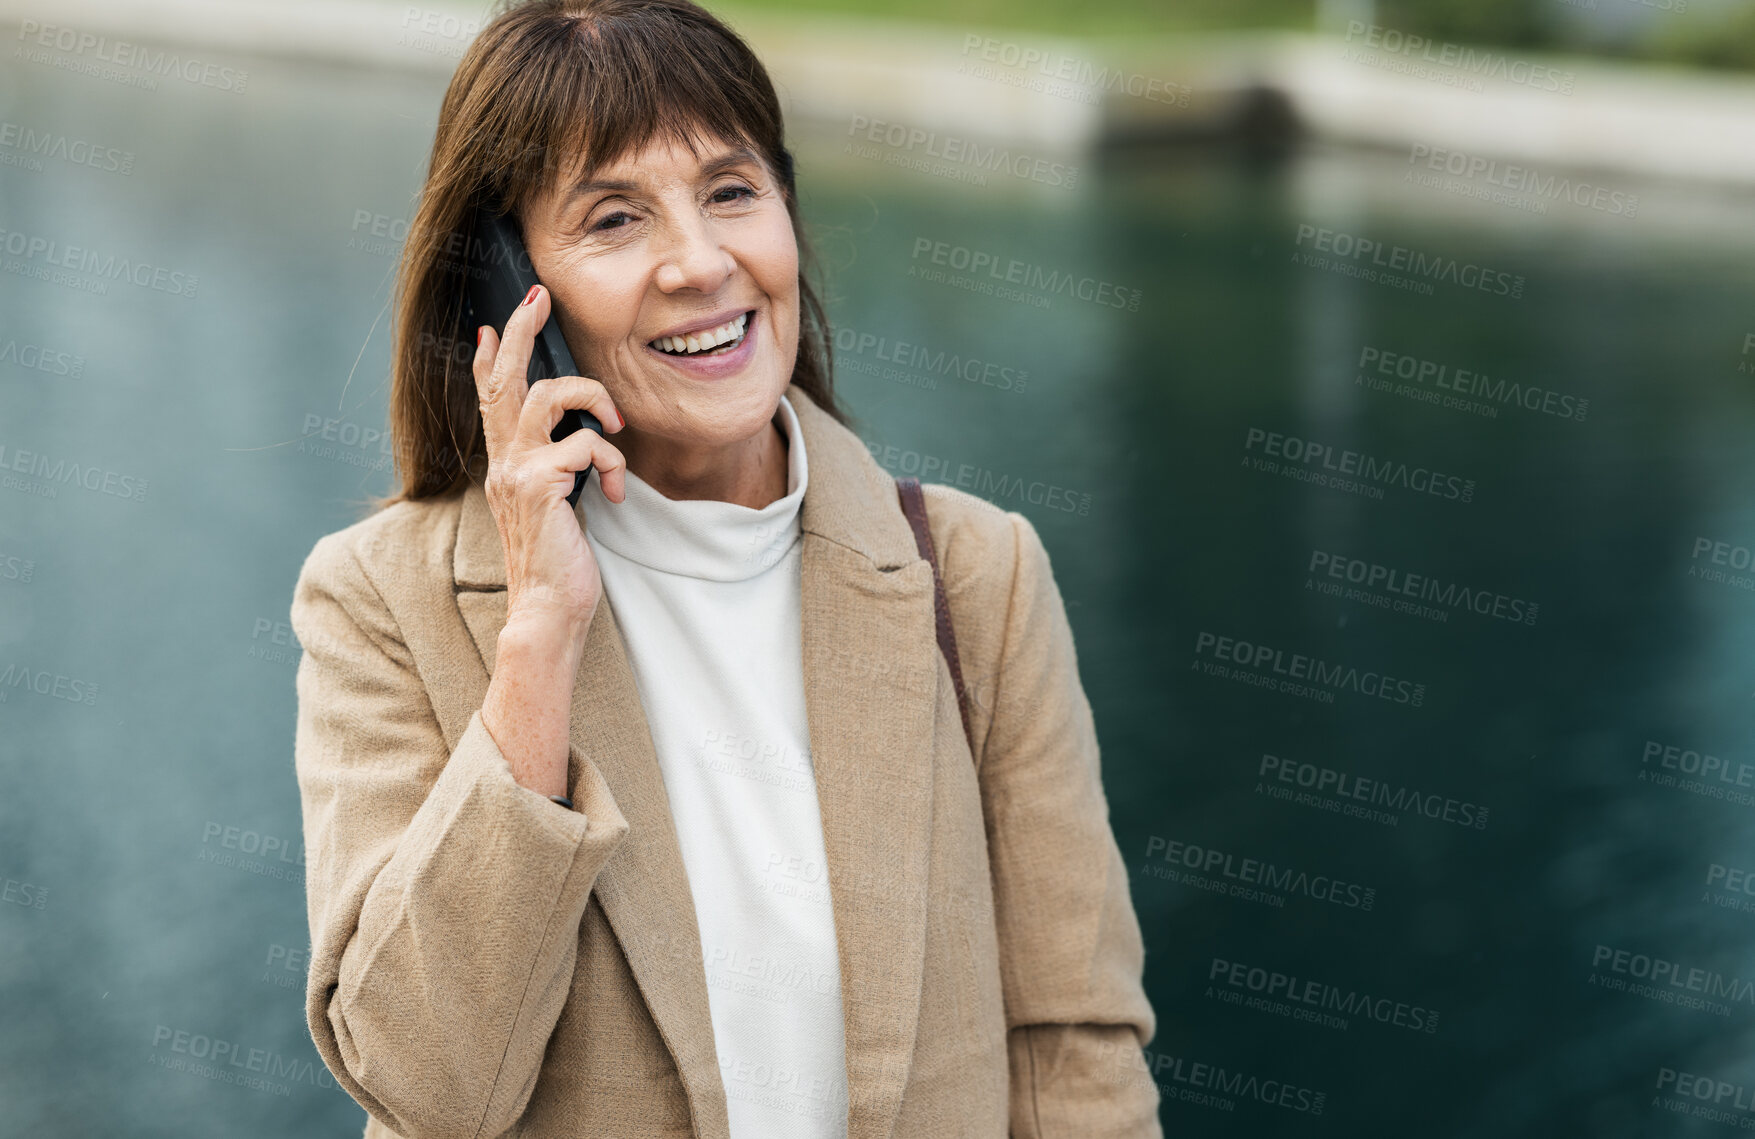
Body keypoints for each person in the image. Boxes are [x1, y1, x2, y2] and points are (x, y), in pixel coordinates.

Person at [289, 1, 1160, 1135]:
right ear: (505, 289)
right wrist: (540, 631)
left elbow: (1073, 1048)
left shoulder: (979, 576)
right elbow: (427, 1082)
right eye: (614, 218)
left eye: (732, 192)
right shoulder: (376, 601)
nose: (701, 264)